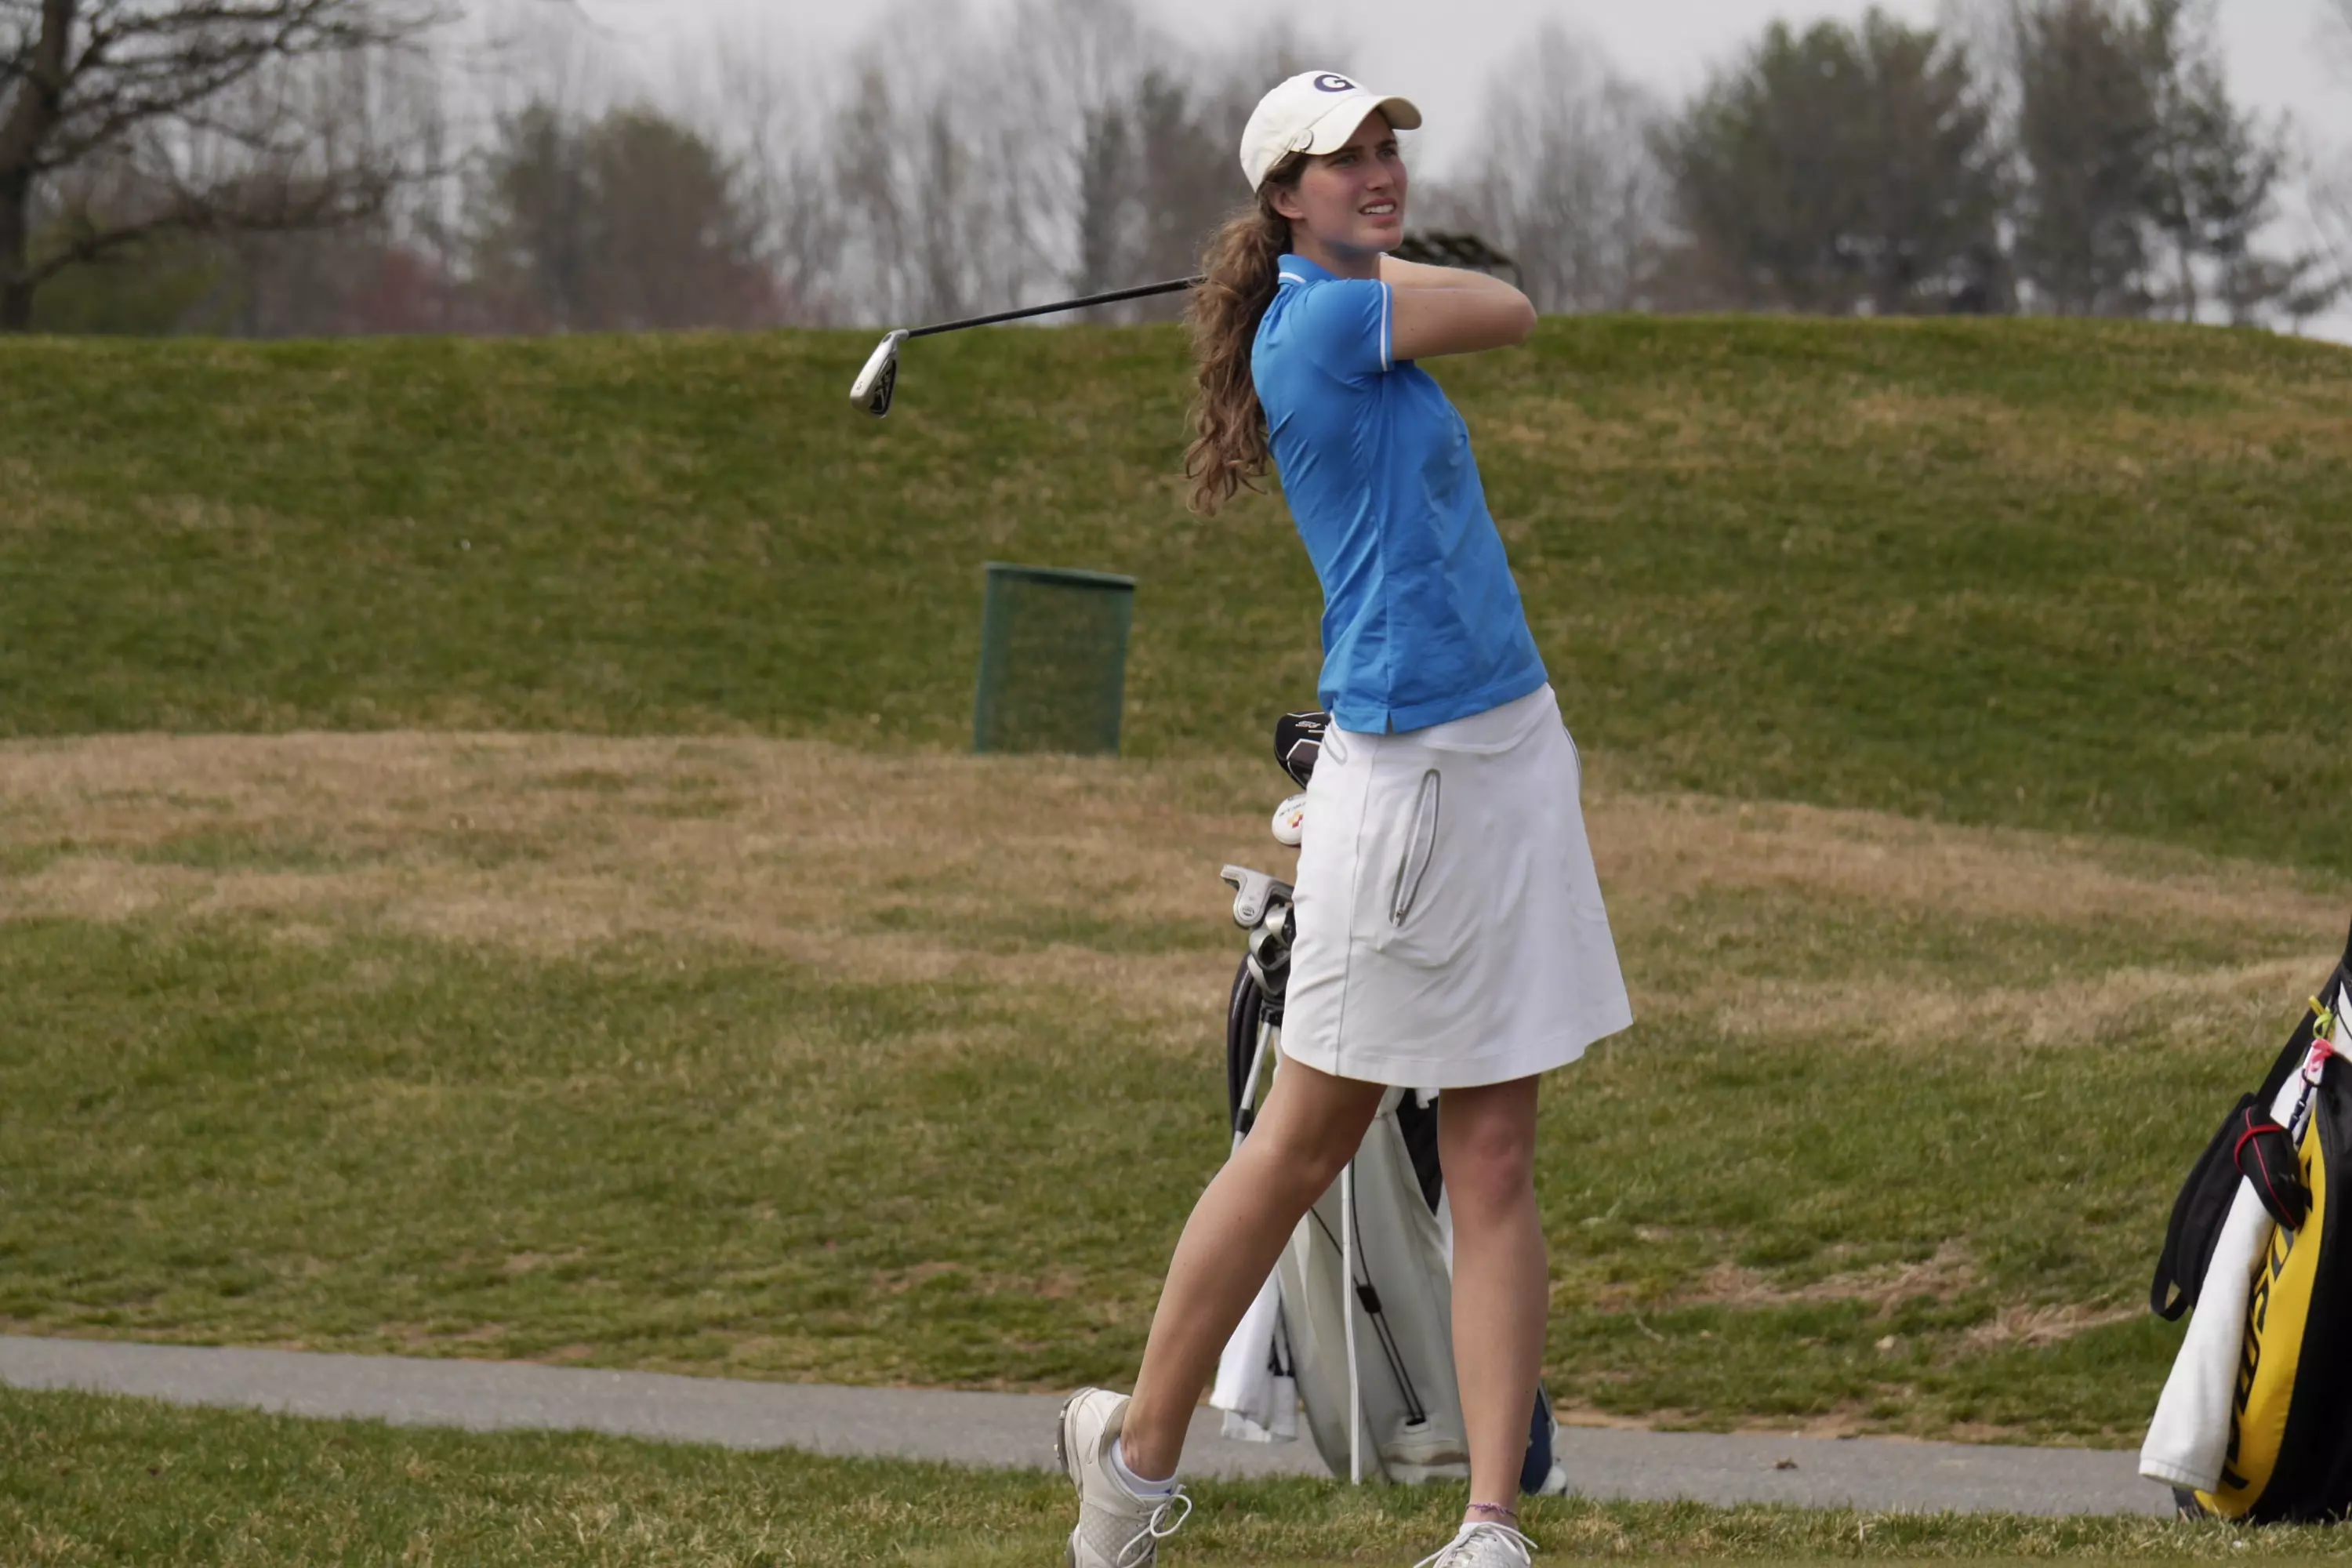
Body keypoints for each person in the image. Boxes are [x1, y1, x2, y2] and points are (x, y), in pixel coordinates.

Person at [1058, 70, 1633, 1568]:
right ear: (1284, 198)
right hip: (1408, 782)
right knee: (1303, 1140)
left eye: (1386, 148)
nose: (1379, 169)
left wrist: (1366, 243)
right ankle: (1131, 1461)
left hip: (1512, 754)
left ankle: (1492, 1522)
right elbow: (1510, 308)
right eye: (1342, 158)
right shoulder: (1313, 324)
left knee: (1497, 1152)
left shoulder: (1348, 298)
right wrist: (1367, 257)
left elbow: (1492, 304)